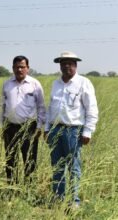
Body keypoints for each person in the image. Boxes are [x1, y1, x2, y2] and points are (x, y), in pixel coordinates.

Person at [45, 51, 98, 208]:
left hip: (73, 132)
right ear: (60, 66)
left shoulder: (83, 83)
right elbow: (50, 109)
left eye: (70, 62)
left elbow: (92, 109)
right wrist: (47, 129)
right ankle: (58, 199)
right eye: (63, 63)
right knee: (57, 167)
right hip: (55, 130)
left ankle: (73, 201)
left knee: (74, 167)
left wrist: (88, 131)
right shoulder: (56, 84)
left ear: (75, 65)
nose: (66, 65)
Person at [0, 55, 46, 184]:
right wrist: (2, 126)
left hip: (29, 127)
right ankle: (11, 187)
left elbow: (41, 107)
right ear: (13, 68)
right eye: (17, 67)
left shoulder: (35, 84)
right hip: (10, 127)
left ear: (27, 68)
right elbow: (2, 106)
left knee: (29, 158)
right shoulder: (7, 84)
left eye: (22, 67)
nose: (19, 70)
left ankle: (29, 188)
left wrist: (39, 127)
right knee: (10, 159)